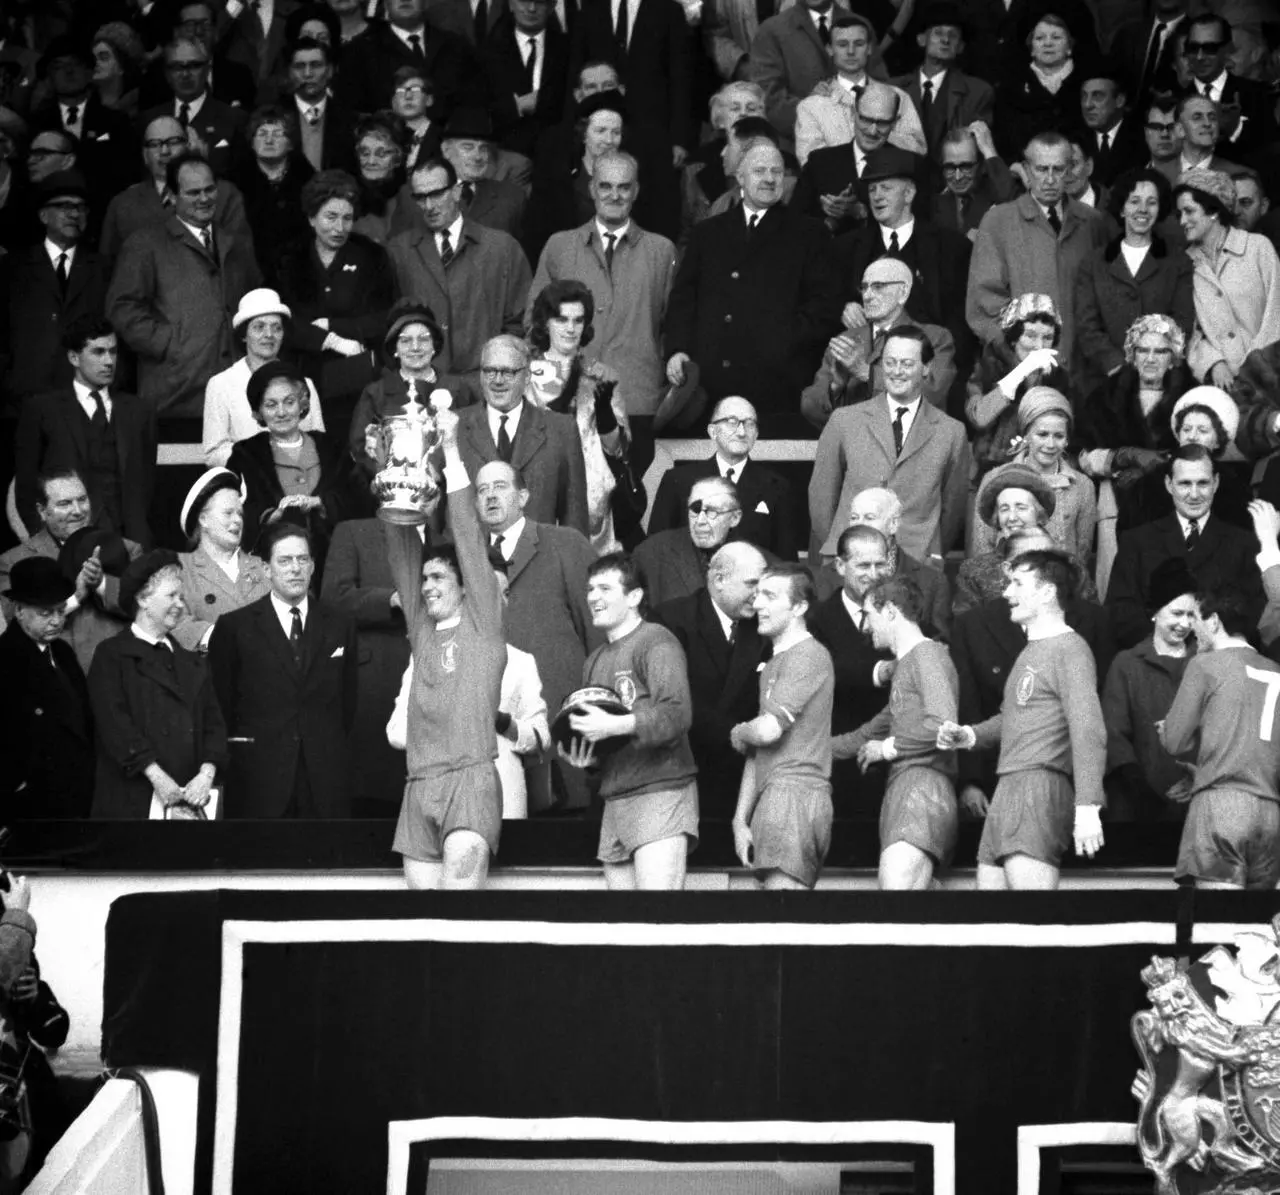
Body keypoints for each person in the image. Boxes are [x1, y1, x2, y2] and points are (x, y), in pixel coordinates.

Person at [382, 404, 508, 887]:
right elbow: (399, 551)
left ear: (465, 585)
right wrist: (394, 469)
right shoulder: (421, 629)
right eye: (426, 578)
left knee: (460, 908)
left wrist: (452, 450)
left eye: (439, 577)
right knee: (423, 918)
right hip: (419, 784)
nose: (427, 585)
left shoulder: (484, 625)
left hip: (468, 779)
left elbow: (469, 541)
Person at [938, 547, 1107, 890]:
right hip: (1009, 785)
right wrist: (968, 735)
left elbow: (1088, 727)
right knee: (991, 915)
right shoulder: (1032, 650)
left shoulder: (1069, 649)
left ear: (1047, 592)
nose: (1006, 593)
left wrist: (1088, 805)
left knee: (1032, 917)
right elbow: (1014, 716)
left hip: (1038, 784)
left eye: (1017, 583)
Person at [666, 142, 838, 431]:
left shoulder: (809, 233)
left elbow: (824, 305)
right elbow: (685, 298)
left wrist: (780, 341)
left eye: (777, 171)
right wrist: (678, 349)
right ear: (740, 177)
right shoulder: (708, 233)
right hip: (713, 382)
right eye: (759, 171)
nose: (769, 179)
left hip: (779, 384)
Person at [560, 552, 699, 890]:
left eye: (605, 589)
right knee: (622, 925)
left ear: (635, 597)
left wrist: (616, 726)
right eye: (591, 589)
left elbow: (678, 714)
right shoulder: (594, 660)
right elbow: (607, 739)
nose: (593, 597)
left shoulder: (657, 641)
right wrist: (589, 758)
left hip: (661, 789)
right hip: (615, 798)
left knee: (657, 919)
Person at [208, 522, 358, 818]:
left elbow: (347, 704)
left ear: (313, 566)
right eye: (285, 561)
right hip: (258, 782)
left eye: (302, 560)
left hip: (325, 783)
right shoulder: (234, 628)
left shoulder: (340, 625)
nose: (295, 569)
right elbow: (221, 707)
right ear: (266, 570)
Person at [475, 458, 600, 812]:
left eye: (500, 486)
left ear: (524, 496)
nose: (490, 496)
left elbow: (598, 632)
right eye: (482, 490)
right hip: (494, 736)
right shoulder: (469, 560)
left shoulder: (565, 544)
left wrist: (594, 712)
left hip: (562, 725)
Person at [529, 150, 676, 443]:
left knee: (631, 487)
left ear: (636, 191)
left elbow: (670, 327)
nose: (615, 195)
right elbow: (534, 325)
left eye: (624, 187)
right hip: (565, 400)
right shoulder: (560, 246)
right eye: (606, 186)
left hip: (638, 398)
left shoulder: (661, 251)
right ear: (592, 188)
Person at [106, 151, 262, 423]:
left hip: (236, 396)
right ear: (172, 196)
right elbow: (121, 309)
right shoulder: (145, 244)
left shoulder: (235, 244)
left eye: (210, 189)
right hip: (174, 395)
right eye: (193, 192)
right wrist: (170, 344)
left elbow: (255, 304)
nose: (204, 199)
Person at [834, 575, 959, 889]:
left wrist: (887, 748)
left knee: (896, 897)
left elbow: (944, 726)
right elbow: (863, 736)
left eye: (868, 615)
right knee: (905, 904)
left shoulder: (927, 656)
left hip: (922, 787)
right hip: (907, 788)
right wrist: (800, 748)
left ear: (890, 610)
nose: (864, 627)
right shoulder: (908, 664)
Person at [810, 326, 970, 564]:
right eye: (889, 362)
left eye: (906, 364)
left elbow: (952, 507)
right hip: (849, 560)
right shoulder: (844, 420)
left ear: (926, 368)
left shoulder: (951, 431)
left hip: (917, 561)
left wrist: (929, 551)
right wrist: (839, 546)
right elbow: (822, 496)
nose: (897, 372)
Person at [87, 550, 228, 819]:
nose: (180, 605)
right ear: (142, 599)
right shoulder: (112, 656)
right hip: (132, 803)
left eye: (181, 597)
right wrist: (157, 776)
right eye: (171, 596)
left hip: (190, 801)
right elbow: (115, 726)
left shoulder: (192, 662)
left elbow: (214, 725)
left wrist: (206, 774)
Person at [1160, 584, 1280, 889]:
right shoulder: (1276, 671)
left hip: (1221, 806)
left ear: (1214, 622)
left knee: (1219, 925)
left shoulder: (1204, 664)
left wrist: (1173, 735)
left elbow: (1175, 741)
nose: (1191, 628)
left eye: (1197, 619)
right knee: (1257, 929)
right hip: (1271, 813)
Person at [388, 157, 531, 408]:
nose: (429, 205)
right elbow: (390, 327)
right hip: (419, 391)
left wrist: (499, 372)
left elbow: (522, 322)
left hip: (486, 389)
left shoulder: (502, 248)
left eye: (436, 194)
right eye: (420, 197)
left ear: (456, 191)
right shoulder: (399, 252)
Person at [965, 132, 1110, 374]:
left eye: (1059, 169)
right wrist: (1015, 355)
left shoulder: (1092, 222)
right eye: (1042, 169)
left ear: (1070, 169)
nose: (1050, 179)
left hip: (1082, 371)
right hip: (1017, 368)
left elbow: (1103, 298)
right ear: (1026, 169)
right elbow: (983, 303)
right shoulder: (998, 221)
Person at [730, 563, 834, 889]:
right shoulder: (776, 660)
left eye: (770, 595)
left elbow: (766, 732)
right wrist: (739, 819)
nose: (757, 603)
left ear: (800, 607)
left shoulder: (807, 656)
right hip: (776, 796)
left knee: (784, 922)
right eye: (757, 593)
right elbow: (760, 745)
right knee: (778, 924)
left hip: (794, 797)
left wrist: (738, 730)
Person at [1074, 314, 1194, 592]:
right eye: (1143, 350)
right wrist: (1121, 457)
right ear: (1132, 354)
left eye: (1160, 351)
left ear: (1173, 356)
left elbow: (1200, 452)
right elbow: (1081, 454)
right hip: (1116, 501)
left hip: (1172, 506)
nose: (1151, 358)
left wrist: (1156, 465)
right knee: (1117, 585)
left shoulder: (1191, 396)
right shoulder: (1104, 397)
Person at [15, 315, 156, 548]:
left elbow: (147, 486)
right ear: (73, 357)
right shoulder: (42, 410)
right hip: (64, 546)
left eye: (113, 351)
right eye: (98, 352)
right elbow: (27, 491)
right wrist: (47, 546)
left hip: (128, 546)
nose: (109, 361)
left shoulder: (140, 412)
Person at [1105, 445, 1263, 650]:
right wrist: (1169, 646)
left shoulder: (1245, 544)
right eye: (1185, 484)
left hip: (1219, 663)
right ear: (1169, 484)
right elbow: (1120, 612)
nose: (1194, 494)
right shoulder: (1137, 541)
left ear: (1216, 483)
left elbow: (1255, 614)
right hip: (1156, 662)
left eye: (1203, 483)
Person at [653, 542, 768, 821]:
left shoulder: (765, 625)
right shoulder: (671, 619)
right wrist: (732, 733)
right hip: (686, 766)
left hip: (744, 775)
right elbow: (675, 697)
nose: (760, 595)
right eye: (752, 584)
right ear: (719, 580)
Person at [274, 168, 395, 428]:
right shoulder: (290, 257)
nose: (339, 228)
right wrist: (332, 340)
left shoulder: (372, 256)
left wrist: (334, 326)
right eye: (331, 217)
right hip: (301, 383)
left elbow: (386, 317)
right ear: (312, 218)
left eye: (347, 218)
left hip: (357, 381)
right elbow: (283, 319)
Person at [525, 279, 632, 550]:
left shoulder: (601, 376)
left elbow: (617, 449)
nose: (571, 329)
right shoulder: (523, 374)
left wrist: (605, 413)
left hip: (588, 497)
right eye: (562, 320)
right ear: (545, 322)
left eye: (578, 320)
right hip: (533, 491)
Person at [0, 469, 142, 672]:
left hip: (117, 673)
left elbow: (146, 606)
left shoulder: (127, 549)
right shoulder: (13, 561)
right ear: (42, 511)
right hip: (53, 677)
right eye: (64, 503)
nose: (77, 510)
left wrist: (102, 583)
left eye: (82, 500)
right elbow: (15, 624)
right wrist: (74, 597)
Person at [225, 359, 355, 571]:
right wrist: (269, 516)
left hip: (332, 561)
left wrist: (320, 503)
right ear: (259, 411)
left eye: (289, 402)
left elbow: (355, 499)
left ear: (302, 404)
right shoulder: (246, 454)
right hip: (273, 561)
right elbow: (234, 508)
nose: (282, 412)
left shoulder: (332, 447)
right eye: (271, 404)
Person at [1073, 167, 1194, 394]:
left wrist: (1153, 366)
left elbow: (1182, 322)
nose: (1142, 210)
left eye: (1151, 202)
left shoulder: (1178, 262)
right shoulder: (1094, 263)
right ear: (1121, 208)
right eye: (1134, 201)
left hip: (1163, 384)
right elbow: (1087, 327)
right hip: (1105, 383)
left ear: (1160, 210)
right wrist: (1116, 366)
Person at [801, 255, 956, 426]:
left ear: (903, 292)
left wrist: (867, 373)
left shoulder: (935, 338)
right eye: (864, 287)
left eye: (878, 287)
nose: (867, 296)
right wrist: (836, 388)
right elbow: (810, 406)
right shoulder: (845, 341)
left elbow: (931, 395)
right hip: (856, 448)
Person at [456, 335, 589, 533]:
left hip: (538, 560)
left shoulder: (561, 429)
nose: (498, 380)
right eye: (490, 371)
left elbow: (575, 518)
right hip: (469, 560)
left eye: (508, 372)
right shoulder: (454, 426)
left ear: (527, 376)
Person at [0, 171, 110, 405]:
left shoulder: (103, 268)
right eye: (64, 206)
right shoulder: (12, 268)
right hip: (23, 399)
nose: (74, 214)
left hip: (85, 398)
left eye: (81, 208)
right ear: (43, 215)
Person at [1101, 557, 1196, 821]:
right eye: (1177, 613)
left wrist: (1201, 775)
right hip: (1140, 805)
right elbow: (1113, 733)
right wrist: (1139, 788)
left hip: (1200, 801)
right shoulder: (1128, 664)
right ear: (1155, 611)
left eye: (1191, 615)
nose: (1185, 624)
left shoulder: (1206, 662)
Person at [0, 557, 94, 820]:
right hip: (30, 803)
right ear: (19, 610)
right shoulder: (5, 660)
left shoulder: (62, 651)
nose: (56, 621)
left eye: (61, 610)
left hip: (75, 792)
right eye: (45, 613)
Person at [648, 397, 796, 562]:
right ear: (713, 431)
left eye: (750, 424)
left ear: (756, 434)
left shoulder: (776, 486)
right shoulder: (678, 480)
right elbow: (656, 551)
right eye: (732, 422)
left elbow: (786, 560)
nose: (741, 432)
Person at [809, 523, 893, 814]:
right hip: (836, 764)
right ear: (841, 566)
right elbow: (824, 675)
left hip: (890, 761)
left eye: (880, 564)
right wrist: (881, 671)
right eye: (863, 565)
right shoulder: (815, 619)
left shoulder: (905, 613)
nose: (873, 574)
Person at [1174, 168, 1280, 387]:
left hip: (1271, 377)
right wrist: (1213, 363)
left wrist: (1255, 366)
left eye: (1189, 211)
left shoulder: (1258, 248)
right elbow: (1190, 331)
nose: (1182, 221)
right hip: (1222, 385)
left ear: (1213, 211)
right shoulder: (1184, 264)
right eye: (1179, 214)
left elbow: (1276, 314)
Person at [98, 114, 251, 263]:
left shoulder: (223, 194)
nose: (164, 151)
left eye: (173, 142)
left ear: (188, 146)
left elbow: (241, 258)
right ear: (145, 155)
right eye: (154, 144)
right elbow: (107, 268)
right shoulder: (123, 204)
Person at [201, 288, 325, 468]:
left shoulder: (305, 384)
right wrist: (260, 457)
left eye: (277, 328)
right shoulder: (221, 385)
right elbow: (213, 454)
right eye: (259, 327)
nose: (269, 335)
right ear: (244, 335)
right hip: (245, 484)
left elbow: (320, 443)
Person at [971, 389, 1096, 564]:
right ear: (1026, 435)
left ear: (1067, 439)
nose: (1050, 444)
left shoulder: (1082, 486)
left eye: (1059, 436)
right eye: (1042, 434)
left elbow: (1082, 553)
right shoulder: (996, 479)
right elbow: (982, 549)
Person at [791, 80, 928, 236]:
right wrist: (829, 220)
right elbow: (794, 222)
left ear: (895, 123)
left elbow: (922, 227)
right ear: (853, 114)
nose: (872, 131)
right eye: (866, 120)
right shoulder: (820, 162)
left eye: (882, 123)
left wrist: (862, 212)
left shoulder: (911, 165)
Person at [813, 486, 951, 633]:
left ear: (893, 524)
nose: (859, 524)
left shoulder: (932, 582)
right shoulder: (824, 578)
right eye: (854, 517)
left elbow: (939, 646)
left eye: (869, 517)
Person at [792, 15, 926, 167]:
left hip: (888, 183)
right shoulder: (811, 106)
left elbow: (918, 150)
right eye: (842, 44)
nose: (850, 51)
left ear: (869, 48)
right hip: (837, 189)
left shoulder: (898, 96)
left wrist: (880, 134)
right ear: (829, 49)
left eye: (859, 44)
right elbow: (811, 164)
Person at [568, 0, 694, 161]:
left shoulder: (668, 9)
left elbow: (680, 78)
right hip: (600, 134)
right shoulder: (590, 8)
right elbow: (576, 73)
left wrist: (679, 140)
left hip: (653, 133)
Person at [964, 292, 1072, 476]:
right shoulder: (988, 367)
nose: (1039, 346)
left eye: (1047, 338)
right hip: (992, 471)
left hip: (1043, 474)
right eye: (1030, 336)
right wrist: (1021, 372)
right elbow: (980, 417)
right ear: (1014, 338)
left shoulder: (1059, 378)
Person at [350, 300, 456, 477]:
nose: (415, 347)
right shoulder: (376, 393)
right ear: (395, 349)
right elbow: (360, 448)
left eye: (423, 339)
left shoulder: (458, 389)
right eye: (405, 341)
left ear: (434, 346)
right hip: (393, 489)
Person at [172, 467, 272, 653]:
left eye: (240, 514)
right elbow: (171, 619)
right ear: (204, 519)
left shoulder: (263, 567)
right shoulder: (180, 567)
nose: (237, 520)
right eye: (228, 513)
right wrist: (216, 636)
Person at [337, 0, 481, 117]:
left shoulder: (456, 46)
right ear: (386, 3)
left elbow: (471, 102)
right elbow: (352, 111)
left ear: (425, 2)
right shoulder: (359, 52)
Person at [894, 3, 993, 165]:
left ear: (960, 47)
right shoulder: (895, 89)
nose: (945, 40)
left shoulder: (978, 92)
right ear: (921, 40)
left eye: (953, 35)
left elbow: (978, 153)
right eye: (938, 33)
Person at [141, 36, 248, 180]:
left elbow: (242, 178)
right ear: (167, 74)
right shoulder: (149, 120)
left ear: (208, 69)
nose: (185, 74)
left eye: (194, 65)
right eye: (177, 67)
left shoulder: (234, 119)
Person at [231, 104, 315, 287]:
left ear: (291, 142)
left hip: (302, 277)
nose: (269, 140)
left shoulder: (310, 182)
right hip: (248, 276)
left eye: (277, 134)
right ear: (251, 141)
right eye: (262, 134)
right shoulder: (234, 184)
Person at [635, 474, 747, 608]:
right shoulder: (651, 552)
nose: (700, 521)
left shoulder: (751, 560)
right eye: (695, 510)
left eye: (712, 512)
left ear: (734, 518)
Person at [1176, 13, 1275, 158]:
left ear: (1227, 50)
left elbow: (1272, 151)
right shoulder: (1175, 98)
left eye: (1210, 48)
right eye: (1193, 48)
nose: (1200, 56)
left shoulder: (1258, 95)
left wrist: (1236, 128)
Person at [482, 0, 571, 161]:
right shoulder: (489, 51)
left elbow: (569, 102)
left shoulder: (568, 49)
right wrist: (518, 106)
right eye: (524, 1)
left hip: (555, 154)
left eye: (540, 2)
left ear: (551, 7)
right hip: (503, 155)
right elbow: (478, 109)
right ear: (510, 4)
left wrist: (542, 101)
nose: (531, 8)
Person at [992, 12, 1081, 163]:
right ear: (1032, 49)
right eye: (1040, 38)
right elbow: (1003, 139)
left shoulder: (1086, 84)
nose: (1048, 43)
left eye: (1056, 37)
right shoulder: (1010, 89)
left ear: (1069, 47)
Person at [439, 109, 527, 240]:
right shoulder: (416, 197)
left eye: (483, 148)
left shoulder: (512, 198)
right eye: (468, 147)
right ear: (446, 150)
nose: (477, 156)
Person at [929, 122, 1016, 240]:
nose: (958, 176)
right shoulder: (934, 204)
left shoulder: (996, 194)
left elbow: (1013, 204)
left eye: (966, 167)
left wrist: (989, 150)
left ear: (981, 166)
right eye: (950, 167)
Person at [285, 38, 358, 175]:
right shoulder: (275, 115)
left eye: (316, 65)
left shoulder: (350, 119)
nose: (307, 74)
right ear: (289, 72)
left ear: (330, 70)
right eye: (300, 66)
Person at [1077, 62, 1146, 188]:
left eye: (1097, 96)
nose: (1087, 105)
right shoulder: (1073, 138)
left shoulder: (1142, 139)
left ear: (1119, 100)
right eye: (1084, 96)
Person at [91, 23, 146, 118]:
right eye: (94, 58)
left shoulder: (138, 109)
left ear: (121, 66)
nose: (96, 63)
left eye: (103, 57)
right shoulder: (84, 105)